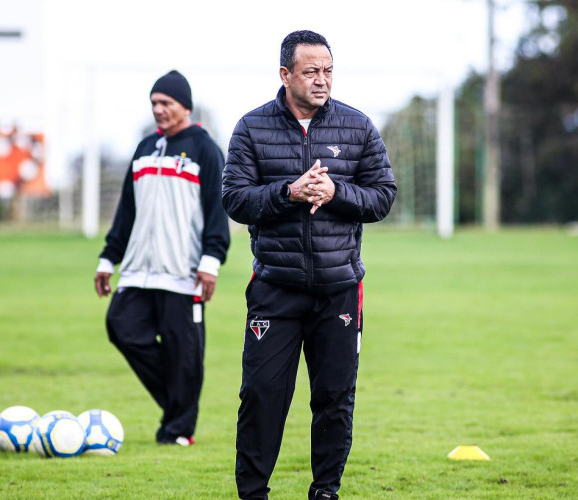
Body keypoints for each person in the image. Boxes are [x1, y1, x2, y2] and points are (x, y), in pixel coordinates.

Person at [222, 30, 397, 500]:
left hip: (339, 289)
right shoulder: (252, 128)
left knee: (334, 400)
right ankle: (253, 494)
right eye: (310, 72)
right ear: (285, 74)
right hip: (275, 289)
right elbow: (234, 198)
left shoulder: (357, 127)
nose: (322, 81)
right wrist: (289, 192)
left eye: (328, 71)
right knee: (261, 397)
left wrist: (337, 193)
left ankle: (325, 492)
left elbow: (383, 197)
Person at [94, 70, 230, 446]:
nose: (158, 109)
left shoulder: (205, 149)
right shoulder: (143, 149)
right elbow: (127, 212)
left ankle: (178, 430)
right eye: (154, 103)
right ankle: (177, 406)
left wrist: (210, 261)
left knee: (183, 352)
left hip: (183, 273)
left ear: (185, 106)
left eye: (166, 103)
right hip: (138, 271)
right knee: (121, 326)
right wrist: (109, 258)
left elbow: (218, 211)